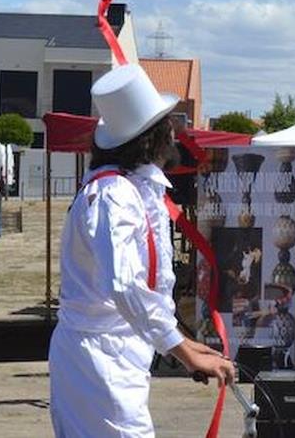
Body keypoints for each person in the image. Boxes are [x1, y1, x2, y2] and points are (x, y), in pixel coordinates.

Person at [49, 64, 234, 436]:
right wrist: (182, 349)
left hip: (114, 354)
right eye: (166, 123)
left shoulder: (130, 189)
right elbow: (125, 284)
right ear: (151, 136)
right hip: (99, 358)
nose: (174, 130)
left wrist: (180, 345)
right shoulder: (114, 195)